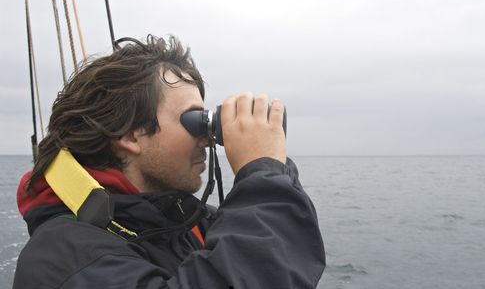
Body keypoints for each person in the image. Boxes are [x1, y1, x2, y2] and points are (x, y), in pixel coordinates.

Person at [14, 35, 325, 288]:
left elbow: (279, 255)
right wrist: (263, 174)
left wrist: (270, 168)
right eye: (195, 120)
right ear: (131, 134)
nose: (207, 137)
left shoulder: (182, 223)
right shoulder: (63, 261)